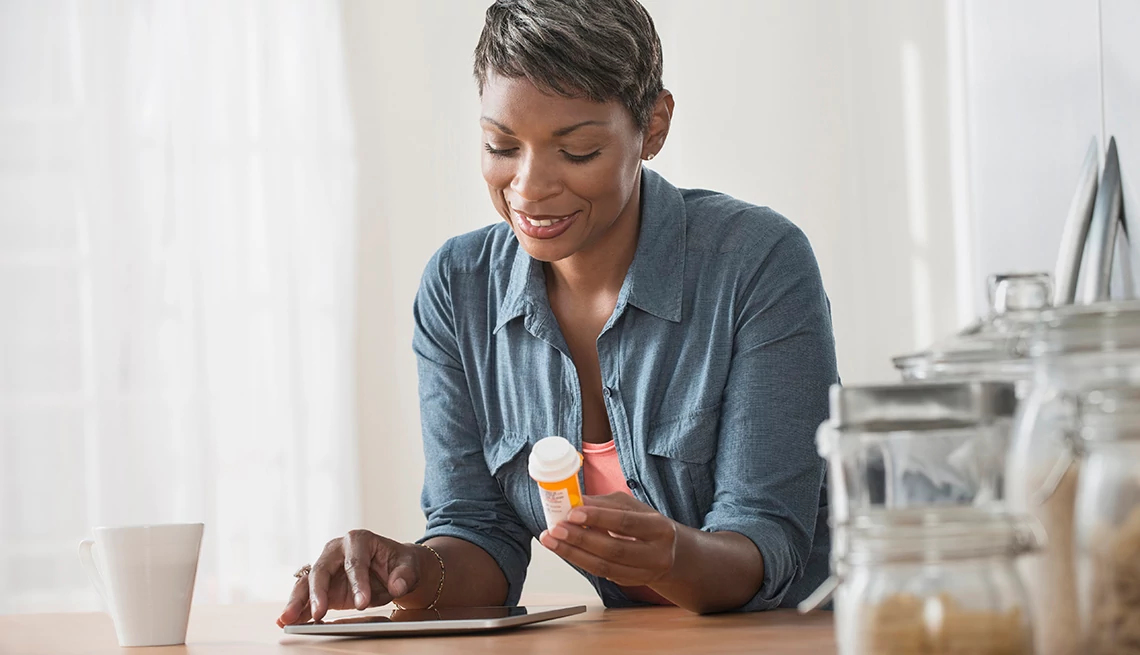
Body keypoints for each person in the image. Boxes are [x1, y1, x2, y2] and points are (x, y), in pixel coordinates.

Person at [278, 0, 836, 624]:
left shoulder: (756, 263)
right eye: (501, 146)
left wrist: (670, 554)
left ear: (652, 126)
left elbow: (766, 541)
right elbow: (478, 532)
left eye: (577, 151)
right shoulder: (459, 289)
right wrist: (410, 572)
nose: (529, 187)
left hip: (803, 632)